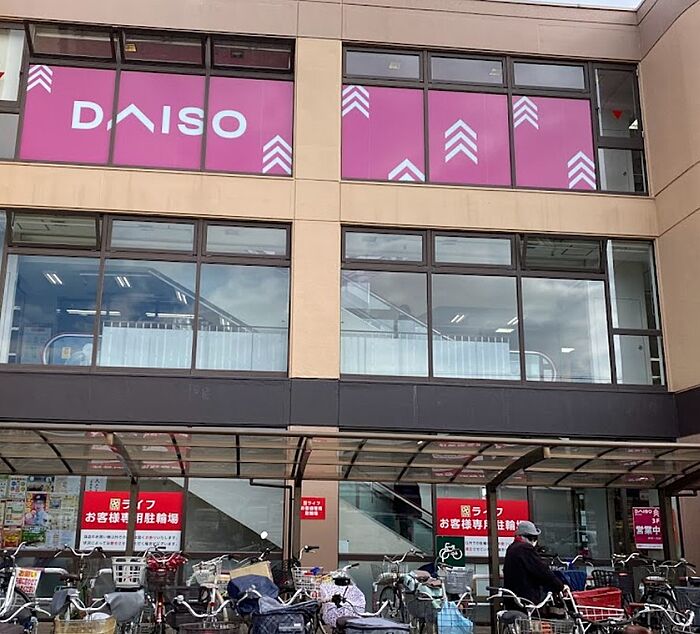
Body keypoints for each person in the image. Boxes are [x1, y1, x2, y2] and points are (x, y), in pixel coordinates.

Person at [503, 520, 564, 607]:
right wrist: (560, 586)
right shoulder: (525, 548)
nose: (533, 541)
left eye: (535, 538)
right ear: (522, 536)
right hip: (525, 598)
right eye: (531, 538)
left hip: (512, 597)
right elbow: (542, 571)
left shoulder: (512, 548)